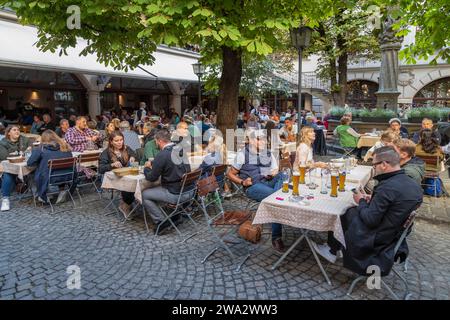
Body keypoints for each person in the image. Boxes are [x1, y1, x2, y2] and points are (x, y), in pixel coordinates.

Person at [312, 146, 423, 277]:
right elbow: (394, 205)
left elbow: (370, 220)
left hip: (378, 237)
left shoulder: (387, 187)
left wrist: (361, 201)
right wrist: (374, 199)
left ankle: (332, 250)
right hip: (395, 232)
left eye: (374, 165)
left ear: (383, 164)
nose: (373, 168)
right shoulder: (412, 184)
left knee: (344, 211)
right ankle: (335, 247)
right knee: (351, 210)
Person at [226, 130, 286, 253]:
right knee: (276, 199)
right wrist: (242, 182)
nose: (263, 141)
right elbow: (230, 173)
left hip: (267, 182)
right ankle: (276, 237)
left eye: (264, 139)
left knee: (282, 175)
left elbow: (275, 169)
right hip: (253, 186)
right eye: (260, 139)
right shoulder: (243, 154)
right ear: (252, 140)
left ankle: (273, 201)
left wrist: (272, 173)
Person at [142, 129, 192, 232]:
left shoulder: (162, 154)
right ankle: (175, 215)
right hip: (189, 191)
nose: (156, 143)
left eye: (156, 141)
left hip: (176, 194)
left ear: (159, 141)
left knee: (144, 194)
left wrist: (146, 168)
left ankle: (161, 222)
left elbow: (152, 178)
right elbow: (187, 170)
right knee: (158, 188)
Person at [26, 130, 74, 204]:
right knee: (58, 168)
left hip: (50, 179)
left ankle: (41, 195)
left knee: (32, 173)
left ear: (43, 139)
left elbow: (30, 163)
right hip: (68, 176)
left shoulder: (40, 149)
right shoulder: (66, 147)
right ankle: (62, 191)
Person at [98, 131, 137, 215]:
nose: (119, 142)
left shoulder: (127, 148)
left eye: (121, 140)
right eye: (116, 141)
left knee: (134, 182)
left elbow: (134, 154)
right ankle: (126, 206)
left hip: (126, 175)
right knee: (128, 184)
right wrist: (112, 164)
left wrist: (133, 157)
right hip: (114, 178)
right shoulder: (106, 153)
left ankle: (127, 203)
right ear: (111, 142)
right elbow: (100, 169)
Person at [0, 126, 31, 211]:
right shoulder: (3, 142)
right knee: (8, 173)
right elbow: (4, 157)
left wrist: (29, 149)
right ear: (8, 133)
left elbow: (31, 148)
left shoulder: (24, 139)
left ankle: (42, 194)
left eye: (18, 130)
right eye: (14, 130)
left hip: (25, 165)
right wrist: (20, 154)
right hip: (9, 167)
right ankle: (5, 199)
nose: (17, 131)